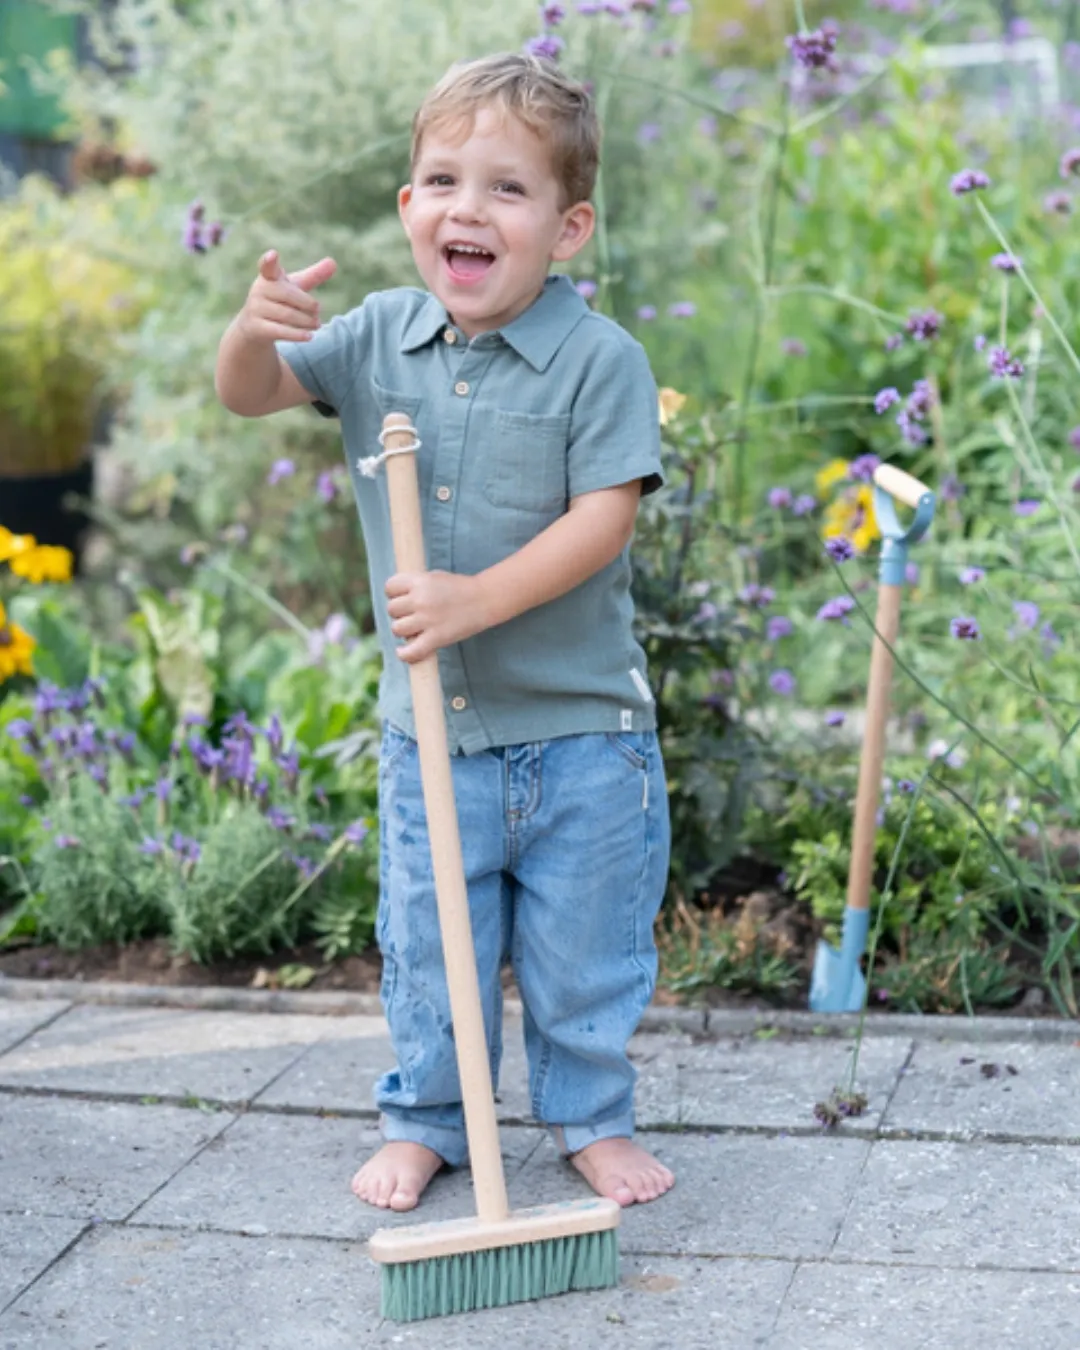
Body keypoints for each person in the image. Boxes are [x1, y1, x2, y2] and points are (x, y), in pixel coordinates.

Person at [215, 51, 673, 1214]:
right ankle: (428, 1119)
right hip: (434, 736)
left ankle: (590, 1116)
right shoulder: (377, 337)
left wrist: (477, 599)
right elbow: (249, 392)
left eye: (507, 189)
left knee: (585, 953)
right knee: (431, 948)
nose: (468, 208)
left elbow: (604, 520)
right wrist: (251, 330)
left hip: (584, 737)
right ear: (408, 205)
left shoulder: (601, 361)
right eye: (443, 181)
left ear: (569, 228)